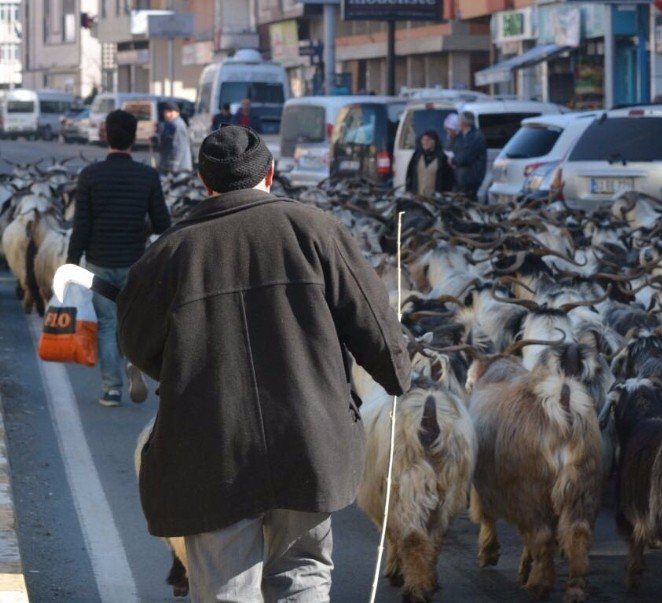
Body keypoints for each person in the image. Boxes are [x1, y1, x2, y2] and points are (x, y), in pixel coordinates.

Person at [117, 125, 411, 600]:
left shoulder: (168, 253)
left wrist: (183, 371)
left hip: (213, 448)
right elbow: (374, 322)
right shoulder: (316, 229)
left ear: (203, 181)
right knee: (303, 572)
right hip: (311, 439)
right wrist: (397, 377)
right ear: (270, 173)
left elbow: (135, 341)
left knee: (226, 585)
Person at [66, 109, 170, 408]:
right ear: (133, 136)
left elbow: (81, 226)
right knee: (131, 322)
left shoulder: (90, 176)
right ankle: (133, 364)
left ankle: (111, 389)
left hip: (98, 264)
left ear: (105, 135)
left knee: (107, 325)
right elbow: (162, 224)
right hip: (135, 265)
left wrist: (71, 263)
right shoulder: (148, 176)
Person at [405, 130, 454, 196]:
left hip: (435, 198)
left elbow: (448, 179)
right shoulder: (416, 156)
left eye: (428, 140)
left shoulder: (442, 158)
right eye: (423, 140)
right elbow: (409, 174)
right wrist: (408, 190)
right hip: (418, 196)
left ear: (434, 142)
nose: (425, 142)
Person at [450, 111, 487, 196]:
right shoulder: (464, 135)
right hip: (462, 179)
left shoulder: (475, 137)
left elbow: (465, 158)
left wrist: (453, 160)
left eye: (459, 120)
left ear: (463, 122)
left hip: (470, 179)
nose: (458, 123)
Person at [157, 101, 193, 173]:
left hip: (179, 167)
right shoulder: (170, 124)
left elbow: (178, 147)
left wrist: (173, 165)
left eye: (168, 112)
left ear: (175, 112)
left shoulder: (177, 125)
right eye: (165, 112)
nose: (166, 114)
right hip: (170, 165)